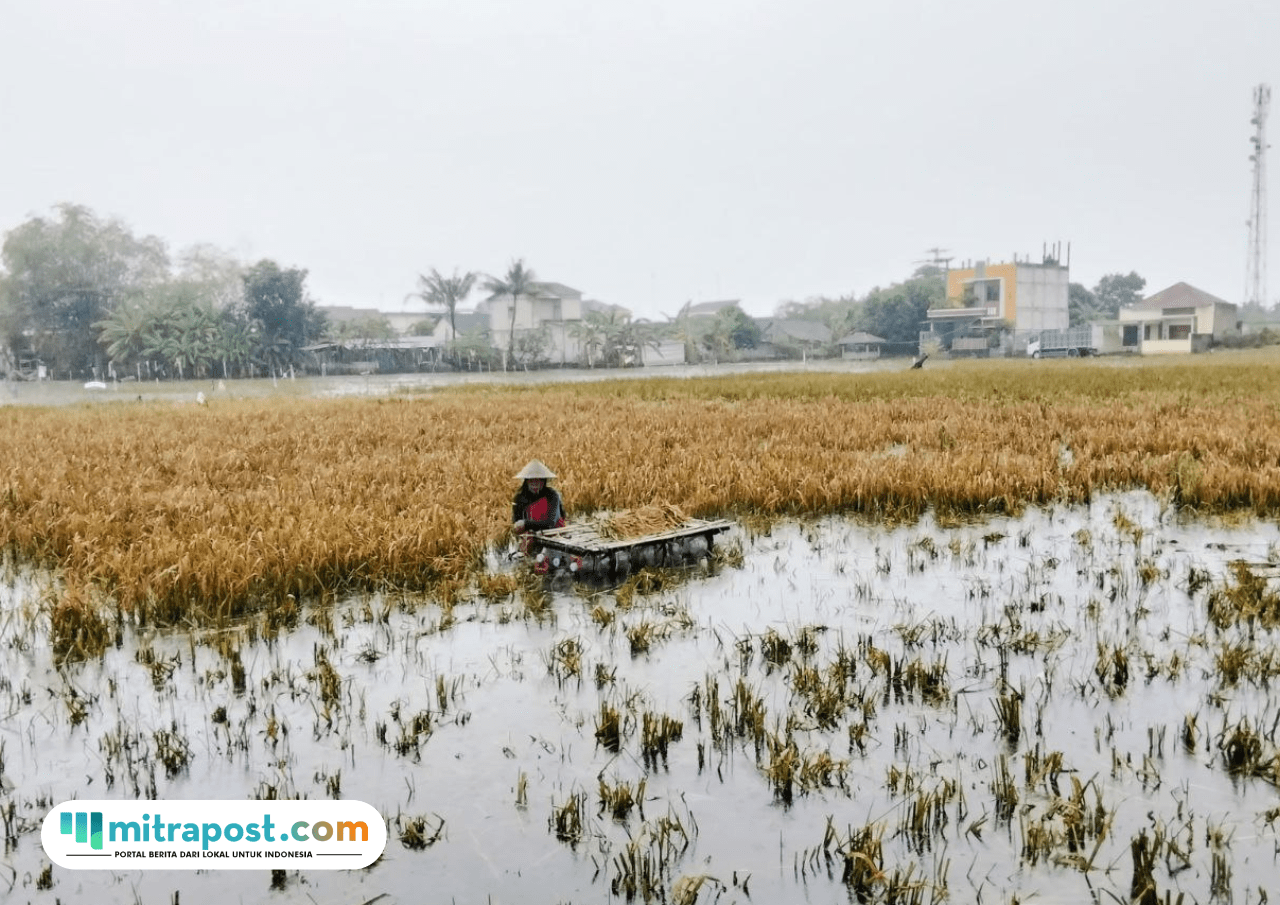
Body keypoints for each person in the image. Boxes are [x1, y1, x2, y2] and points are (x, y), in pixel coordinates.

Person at [512, 459, 566, 533]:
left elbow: (551, 523)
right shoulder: (519, 498)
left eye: (538, 481)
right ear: (526, 482)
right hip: (531, 535)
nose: (535, 485)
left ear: (543, 482)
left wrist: (526, 524)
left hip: (554, 533)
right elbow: (516, 521)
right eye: (531, 481)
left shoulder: (552, 495)